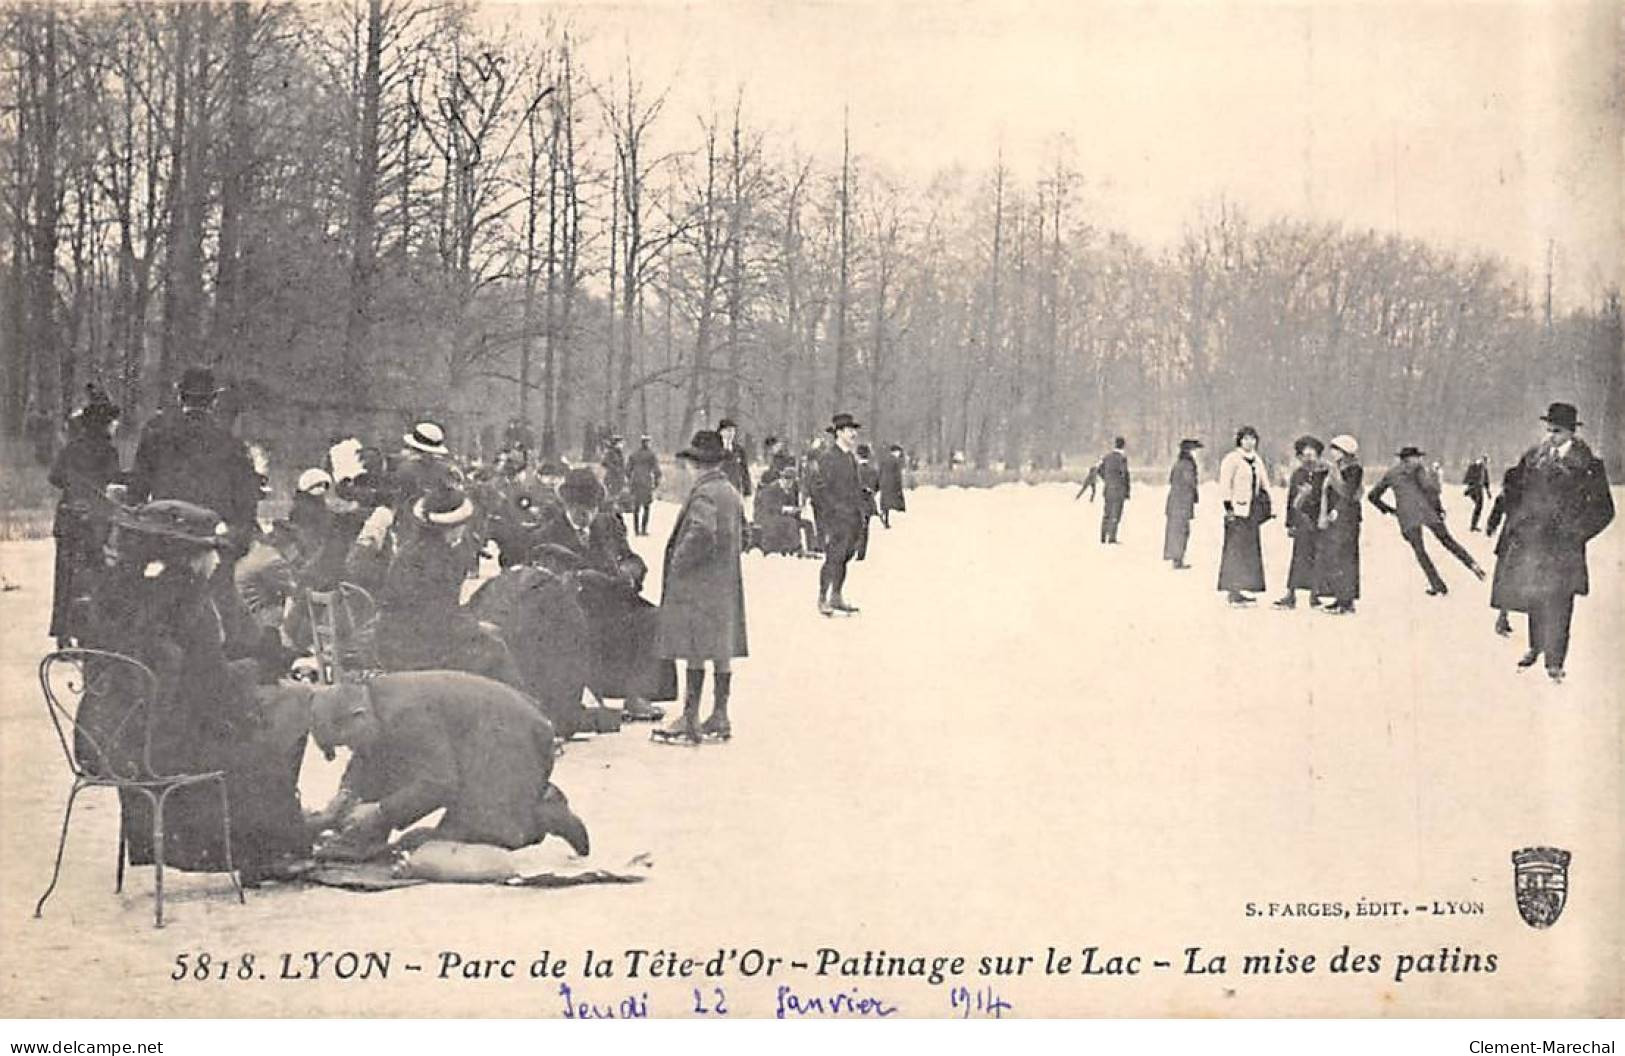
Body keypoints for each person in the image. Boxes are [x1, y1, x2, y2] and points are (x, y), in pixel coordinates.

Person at [82, 500, 311, 883]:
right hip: (162, 749)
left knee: (250, 724)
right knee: (272, 730)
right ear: (191, 558)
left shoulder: (123, 595)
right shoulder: (192, 605)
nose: (217, 561)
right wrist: (258, 670)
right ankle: (266, 852)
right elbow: (211, 692)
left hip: (107, 740)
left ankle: (261, 841)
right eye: (210, 551)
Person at [305, 671, 589, 856]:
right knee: (427, 837)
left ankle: (542, 810)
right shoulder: (376, 705)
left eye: (347, 742)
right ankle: (523, 797)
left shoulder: (405, 714)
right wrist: (346, 797)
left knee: (462, 841)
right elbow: (371, 760)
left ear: (357, 715)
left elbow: (439, 783)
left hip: (513, 744)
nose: (352, 749)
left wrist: (380, 812)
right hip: (483, 744)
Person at [530, 468, 673, 721]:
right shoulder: (547, 534)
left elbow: (631, 558)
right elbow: (539, 582)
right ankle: (585, 694)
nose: (586, 516)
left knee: (652, 617)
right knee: (583, 626)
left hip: (613, 598)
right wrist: (576, 580)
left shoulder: (608, 525)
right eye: (579, 510)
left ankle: (636, 695)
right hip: (574, 606)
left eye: (592, 508)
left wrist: (630, 571)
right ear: (567, 505)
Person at [1489, 402, 1614, 683]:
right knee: (1534, 595)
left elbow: (1605, 510)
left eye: (1556, 431)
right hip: (1533, 542)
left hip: (1564, 547)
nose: (1551, 436)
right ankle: (1536, 646)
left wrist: (1577, 533)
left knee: (1560, 601)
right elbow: (1515, 490)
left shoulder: (1589, 465)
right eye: (1548, 430)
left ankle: (1555, 661)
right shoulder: (1534, 456)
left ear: (1571, 432)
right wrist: (1518, 520)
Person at [652, 430, 748, 745]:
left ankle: (689, 717)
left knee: (695, 648)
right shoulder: (730, 492)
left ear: (698, 464)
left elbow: (702, 532)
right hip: (724, 584)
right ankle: (720, 714)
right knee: (720, 649)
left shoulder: (704, 493)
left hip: (699, 585)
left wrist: (679, 561)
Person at [374, 484, 523, 687]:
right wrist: (477, 626)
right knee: (496, 649)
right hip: (419, 650)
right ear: (454, 527)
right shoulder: (442, 560)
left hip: (389, 639)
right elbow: (439, 617)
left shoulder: (410, 549)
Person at [48, 385, 123, 646]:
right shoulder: (108, 451)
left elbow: (54, 477)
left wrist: (73, 485)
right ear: (105, 424)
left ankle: (62, 634)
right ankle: (87, 632)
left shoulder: (72, 448)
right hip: (94, 520)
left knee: (65, 576)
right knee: (93, 576)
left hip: (69, 516)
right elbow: (113, 480)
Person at [1368, 445, 1485, 596]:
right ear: (1410, 458)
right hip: (1426, 511)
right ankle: (1472, 564)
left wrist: (1390, 510)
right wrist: (1438, 508)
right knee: (1448, 541)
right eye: (1417, 457)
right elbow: (1429, 489)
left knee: (1420, 551)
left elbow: (1373, 496)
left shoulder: (1391, 473)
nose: (1419, 459)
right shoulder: (1418, 469)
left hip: (1407, 516)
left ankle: (1437, 584)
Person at [810, 413, 866, 616]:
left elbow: (853, 486)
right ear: (839, 433)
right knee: (833, 557)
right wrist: (831, 512)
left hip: (851, 517)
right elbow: (819, 489)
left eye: (854, 431)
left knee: (845, 556)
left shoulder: (850, 457)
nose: (854, 434)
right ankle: (822, 597)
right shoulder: (828, 458)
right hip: (834, 518)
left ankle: (837, 595)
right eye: (850, 430)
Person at [1217, 425, 1270, 606]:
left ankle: (1245, 587)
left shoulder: (1257, 460)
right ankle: (1233, 590)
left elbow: (1264, 483)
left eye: (1253, 439)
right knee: (1235, 551)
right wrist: (1228, 506)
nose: (1250, 442)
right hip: (1237, 511)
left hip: (1252, 512)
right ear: (1240, 440)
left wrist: (1267, 505)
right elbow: (1225, 484)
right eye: (1246, 438)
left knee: (1249, 552)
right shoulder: (1232, 459)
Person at [1274, 436, 1328, 609]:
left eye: (1313, 452)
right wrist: (1289, 523)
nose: (1309, 456)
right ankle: (1291, 593)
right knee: (1299, 557)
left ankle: (1315, 593)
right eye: (1305, 453)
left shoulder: (1325, 473)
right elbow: (1291, 499)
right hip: (1302, 520)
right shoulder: (1298, 474)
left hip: (1319, 518)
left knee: (1319, 557)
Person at [1314, 435, 1364, 614]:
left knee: (1346, 559)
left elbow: (1348, 493)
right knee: (1337, 558)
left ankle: (1346, 600)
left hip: (1347, 519)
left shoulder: (1354, 469)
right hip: (1335, 520)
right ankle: (1339, 596)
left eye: (1336, 450)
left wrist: (1338, 510)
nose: (1333, 453)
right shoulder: (1335, 469)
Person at [1484, 461, 1522, 637]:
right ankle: (1503, 618)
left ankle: (1503, 616)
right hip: (1522, 540)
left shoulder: (1505, 495)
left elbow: (1496, 512)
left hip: (1507, 539)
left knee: (1504, 579)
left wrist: (1491, 527)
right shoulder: (1527, 496)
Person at [1163, 438, 1201, 570]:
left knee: (1177, 530)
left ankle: (1177, 558)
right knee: (1181, 531)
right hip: (1181, 503)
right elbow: (1189, 483)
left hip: (1176, 502)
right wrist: (1194, 494)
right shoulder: (1187, 465)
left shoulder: (1179, 463)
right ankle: (1177, 559)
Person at [1098, 437, 1131, 544]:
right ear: (1123, 445)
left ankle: (1103, 535)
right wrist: (1127, 491)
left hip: (1108, 489)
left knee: (1106, 512)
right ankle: (1112, 537)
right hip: (1119, 490)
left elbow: (1099, 470)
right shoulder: (1122, 459)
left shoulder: (1107, 457)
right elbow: (1125, 475)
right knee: (1115, 514)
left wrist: (1106, 479)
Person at [628, 436, 662, 536]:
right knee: (646, 507)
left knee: (636, 507)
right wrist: (656, 482)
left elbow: (627, 470)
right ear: (648, 443)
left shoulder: (634, 454)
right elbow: (656, 470)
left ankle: (636, 530)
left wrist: (630, 480)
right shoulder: (651, 455)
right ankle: (643, 529)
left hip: (636, 483)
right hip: (646, 483)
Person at [854, 444, 881, 560]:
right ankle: (862, 552)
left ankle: (855, 547)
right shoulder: (873, 470)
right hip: (868, 502)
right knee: (865, 528)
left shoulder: (854, 469)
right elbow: (877, 486)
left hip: (856, 501)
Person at [717, 418, 753, 499]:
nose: (731, 434)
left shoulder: (739, 450)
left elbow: (744, 472)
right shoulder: (714, 449)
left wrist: (747, 491)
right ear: (721, 432)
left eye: (733, 431)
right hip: (718, 491)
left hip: (735, 491)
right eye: (728, 430)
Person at [600, 434, 630, 522]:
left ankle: (616, 514)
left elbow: (622, 465)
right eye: (620, 443)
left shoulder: (619, 453)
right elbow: (604, 463)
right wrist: (614, 468)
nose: (622, 445)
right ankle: (611, 515)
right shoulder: (610, 452)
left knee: (617, 496)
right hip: (612, 478)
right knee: (612, 497)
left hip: (619, 478)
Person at [877, 443, 907, 528]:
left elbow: (880, 471)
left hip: (884, 484)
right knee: (892, 502)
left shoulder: (884, 459)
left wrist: (879, 483)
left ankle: (885, 517)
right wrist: (899, 485)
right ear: (896, 452)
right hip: (892, 484)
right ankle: (886, 519)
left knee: (885, 503)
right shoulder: (896, 461)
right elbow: (897, 475)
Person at [1464, 454, 1493, 532]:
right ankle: (1473, 525)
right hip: (1476, 488)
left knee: (1478, 506)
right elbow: (1470, 478)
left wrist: (1488, 492)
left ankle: (1474, 525)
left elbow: (1486, 481)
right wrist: (1470, 486)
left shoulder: (1483, 468)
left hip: (1477, 488)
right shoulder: (1477, 466)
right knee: (1479, 506)